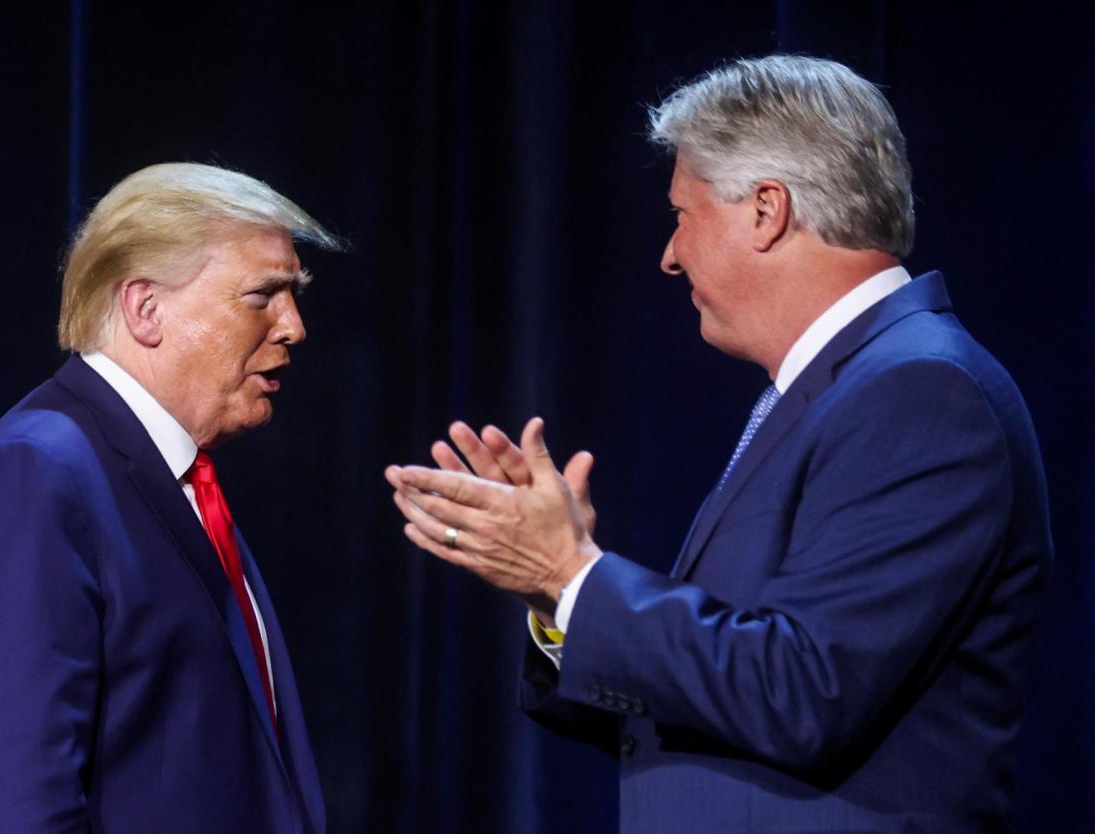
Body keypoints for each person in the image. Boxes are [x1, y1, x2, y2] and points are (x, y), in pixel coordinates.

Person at [386, 55, 1052, 833]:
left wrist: (576, 575)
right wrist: (556, 597)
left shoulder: (923, 393)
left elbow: (803, 693)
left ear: (767, 209)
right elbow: (714, 696)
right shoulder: (840, 390)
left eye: (684, 214)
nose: (670, 254)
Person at [0, 163, 340, 834]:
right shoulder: (31, 479)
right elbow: (6, 809)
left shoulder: (176, 482)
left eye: (293, 295)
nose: (293, 326)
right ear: (145, 308)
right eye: (263, 295)